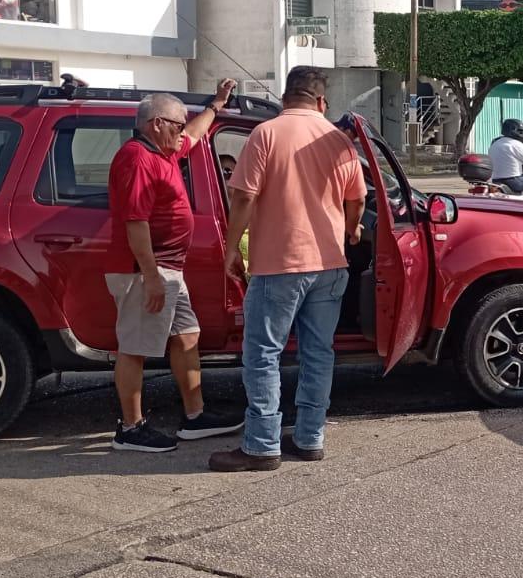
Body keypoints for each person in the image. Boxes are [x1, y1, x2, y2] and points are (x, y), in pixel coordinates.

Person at [215, 67, 367, 472]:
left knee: (264, 354)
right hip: (330, 265)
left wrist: (232, 249)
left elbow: (244, 197)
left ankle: (262, 444)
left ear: (287, 97)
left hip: (279, 264)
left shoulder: (265, 134)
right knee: (319, 353)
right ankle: (310, 437)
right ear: (321, 102)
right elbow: (358, 200)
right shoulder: (340, 140)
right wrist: (351, 231)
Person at [104, 82, 244, 452]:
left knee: (186, 336)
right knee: (134, 347)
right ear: (156, 124)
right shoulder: (137, 158)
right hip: (145, 270)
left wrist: (214, 106)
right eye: (177, 125)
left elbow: (195, 137)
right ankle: (130, 429)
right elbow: (136, 222)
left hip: (168, 269)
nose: (183, 132)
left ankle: (195, 417)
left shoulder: (162, 152)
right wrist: (151, 278)